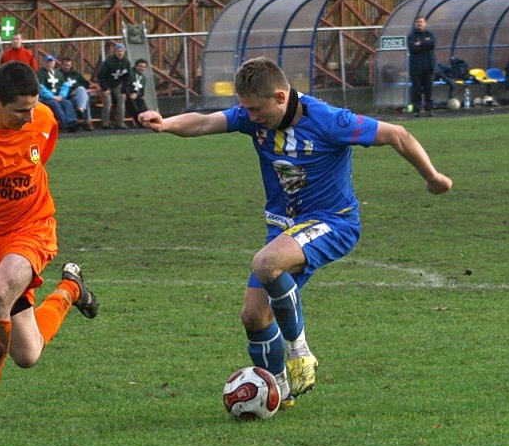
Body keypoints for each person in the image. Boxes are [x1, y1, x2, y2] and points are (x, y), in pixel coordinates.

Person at [139, 57, 451, 407]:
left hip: (333, 222)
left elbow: (397, 134)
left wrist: (432, 177)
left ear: (280, 97)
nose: (251, 117)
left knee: (266, 263)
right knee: (254, 316)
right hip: (285, 229)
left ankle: (299, 349)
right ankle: (279, 391)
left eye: (256, 109)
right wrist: (166, 123)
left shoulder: (329, 120)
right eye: (246, 109)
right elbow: (203, 123)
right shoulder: (252, 116)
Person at [0, 60, 99, 433]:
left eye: (32, 108)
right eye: (20, 111)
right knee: (28, 353)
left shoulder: (42, 119)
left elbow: (39, 157)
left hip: (33, 228)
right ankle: (70, 290)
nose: (30, 119)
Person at [36, 54, 79, 132]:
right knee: (54, 104)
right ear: (44, 63)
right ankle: (65, 124)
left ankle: (72, 121)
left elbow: (65, 85)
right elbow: (41, 88)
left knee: (67, 103)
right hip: (46, 98)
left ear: (54, 63)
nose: (49, 64)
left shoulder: (58, 73)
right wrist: (52, 96)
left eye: (51, 62)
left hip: (58, 97)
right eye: (47, 62)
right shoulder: (40, 73)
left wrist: (62, 96)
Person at [95, 41, 131, 129]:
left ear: (124, 52)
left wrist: (123, 90)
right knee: (107, 102)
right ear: (115, 52)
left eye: (121, 51)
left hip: (117, 84)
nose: (120, 53)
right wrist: (105, 88)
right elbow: (100, 75)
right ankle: (105, 123)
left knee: (121, 100)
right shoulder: (109, 61)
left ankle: (120, 122)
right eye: (118, 51)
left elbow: (127, 77)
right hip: (107, 83)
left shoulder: (126, 62)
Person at [407, 15, 436, 117]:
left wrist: (420, 43)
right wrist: (425, 44)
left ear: (425, 23)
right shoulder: (411, 36)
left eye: (421, 22)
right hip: (416, 68)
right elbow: (412, 48)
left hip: (428, 67)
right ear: (415, 24)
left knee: (429, 90)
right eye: (417, 22)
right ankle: (417, 110)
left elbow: (432, 44)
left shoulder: (430, 34)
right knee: (416, 90)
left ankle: (429, 110)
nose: (419, 24)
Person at [58, 55, 95, 130]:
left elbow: (86, 84)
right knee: (85, 97)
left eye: (68, 65)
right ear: (61, 65)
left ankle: (82, 109)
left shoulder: (76, 74)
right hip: (66, 98)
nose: (67, 67)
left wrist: (83, 90)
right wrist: (72, 92)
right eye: (65, 65)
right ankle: (87, 120)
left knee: (82, 92)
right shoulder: (58, 75)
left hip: (78, 97)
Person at [125, 58, 150, 127]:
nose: (142, 68)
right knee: (133, 104)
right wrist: (129, 94)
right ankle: (139, 122)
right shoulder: (129, 73)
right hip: (126, 94)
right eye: (140, 66)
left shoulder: (143, 78)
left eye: (144, 67)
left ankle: (147, 121)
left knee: (142, 104)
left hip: (136, 96)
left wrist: (137, 94)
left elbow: (142, 92)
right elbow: (124, 85)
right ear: (136, 66)